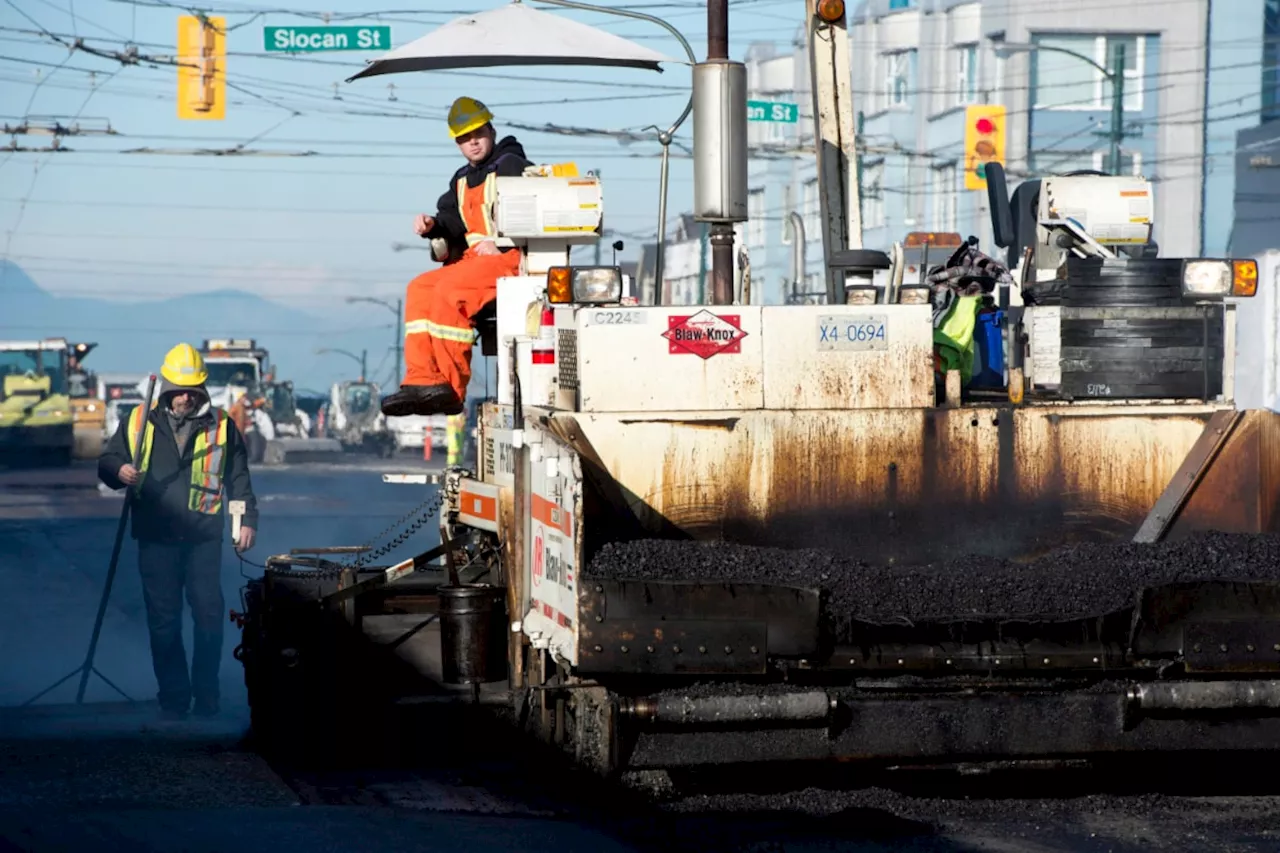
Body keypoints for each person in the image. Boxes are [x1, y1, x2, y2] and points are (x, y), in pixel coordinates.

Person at [98, 342, 259, 720]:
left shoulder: (222, 425)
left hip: (204, 536)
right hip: (156, 536)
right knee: (164, 620)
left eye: (192, 389)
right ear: (166, 387)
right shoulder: (139, 421)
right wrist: (118, 472)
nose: (185, 397)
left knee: (208, 616)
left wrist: (247, 518)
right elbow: (108, 460)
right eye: (178, 390)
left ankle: (207, 696)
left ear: (202, 387)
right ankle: (173, 698)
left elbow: (238, 478)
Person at [380, 96, 532, 418]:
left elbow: (527, 210)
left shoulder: (511, 165)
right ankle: (422, 379)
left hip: (509, 260)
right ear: (457, 143)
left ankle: (450, 388)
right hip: (475, 262)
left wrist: (503, 244)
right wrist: (433, 225)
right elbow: (452, 221)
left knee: (451, 292)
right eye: (464, 138)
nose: (472, 142)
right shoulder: (461, 179)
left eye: (477, 134)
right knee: (419, 288)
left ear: (491, 129)